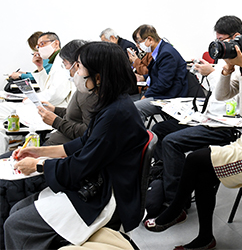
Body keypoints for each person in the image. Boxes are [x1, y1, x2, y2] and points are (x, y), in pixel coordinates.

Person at [143, 15, 242, 250]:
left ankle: (176, 211)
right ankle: (204, 237)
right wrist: (227, 69)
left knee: (197, 160)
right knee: (203, 173)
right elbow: (221, 95)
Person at [4, 42, 148, 249]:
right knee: (17, 210)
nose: (74, 73)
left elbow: (81, 164)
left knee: (15, 224)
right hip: (97, 180)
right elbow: (84, 143)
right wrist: (37, 151)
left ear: (98, 78)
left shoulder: (115, 114)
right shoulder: (111, 104)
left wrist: (37, 165)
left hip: (105, 194)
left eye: (78, 67)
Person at [145, 16, 242, 217]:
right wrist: (204, 74)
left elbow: (230, 96)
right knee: (159, 130)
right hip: (208, 118)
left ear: (236, 37)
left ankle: (176, 203)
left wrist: (213, 73)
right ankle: (170, 179)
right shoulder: (223, 60)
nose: (219, 45)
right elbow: (212, 94)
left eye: (222, 39)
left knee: (172, 142)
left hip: (225, 126)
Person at [0, 32, 74, 121]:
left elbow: (57, 95)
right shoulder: (53, 61)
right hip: (50, 105)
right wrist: (39, 67)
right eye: (38, 46)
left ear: (56, 43)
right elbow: (45, 87)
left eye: (42, 44)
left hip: (56, 108)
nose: (40, 49)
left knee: (4, 109)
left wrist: (32, 99)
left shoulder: (61, 62)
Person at [37, 40, 98, 145]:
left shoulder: (89, 92)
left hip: (64, 146)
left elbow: (88, 132)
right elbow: (76, 115)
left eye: (65, 64)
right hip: (59, 141)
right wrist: (55, 110)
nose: (65, 69)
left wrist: (56, 122)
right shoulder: (82, 89)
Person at [133, 24, 189, 121]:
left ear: (150, 39)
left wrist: (146, 95)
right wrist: (144, 77)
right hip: (164, 92)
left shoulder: (166, 54)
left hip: (169, 96)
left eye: (139, 42)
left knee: (135, 109)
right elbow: (161, 73)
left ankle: (141, 136)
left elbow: (163, 83)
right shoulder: (160, 51)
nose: (137, 46)